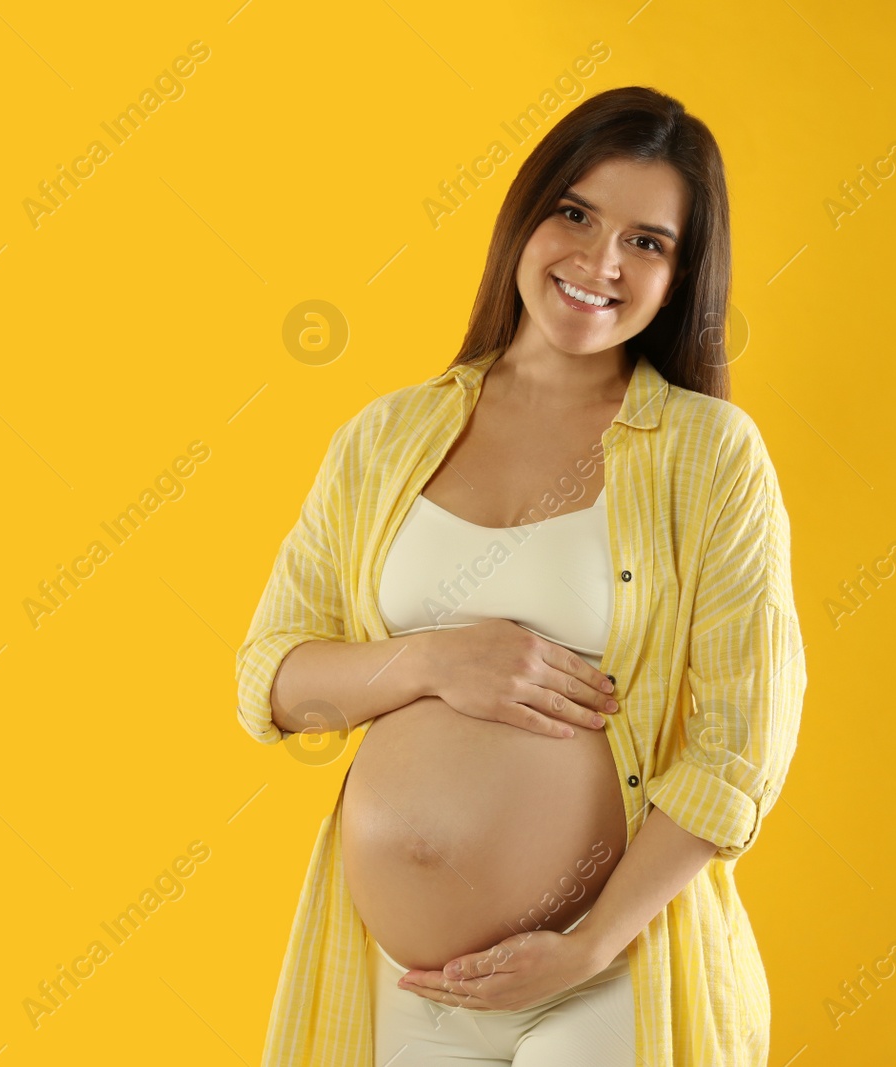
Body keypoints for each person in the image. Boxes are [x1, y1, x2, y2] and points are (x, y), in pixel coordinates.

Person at [237, 84, 807, 1066]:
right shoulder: (385, 437)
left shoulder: (709, 454)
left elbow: (738, 750)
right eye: (576, 214)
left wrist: (585, 942)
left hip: (607, 973)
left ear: (682, 275)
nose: (599, 262)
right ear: (524, 216)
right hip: (401, 984)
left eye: (647, 241)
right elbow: (273, 676)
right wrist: (432, 661)